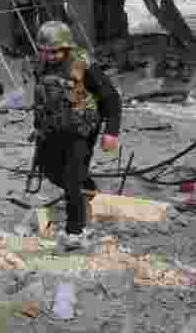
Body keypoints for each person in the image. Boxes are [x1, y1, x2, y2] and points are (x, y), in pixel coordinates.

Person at [31, 20, 122, 251]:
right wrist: (37, 126)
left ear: (67, 48)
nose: (49, 56)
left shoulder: (83, 64)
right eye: (44, 52)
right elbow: (42, 98)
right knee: (51, 171)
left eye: (54, 52)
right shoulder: (41, 64)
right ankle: (89, 189)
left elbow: (111, 98)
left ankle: (75, 231)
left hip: (81, 130)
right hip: (52, 128)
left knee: (72, 179)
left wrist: (111, 131)